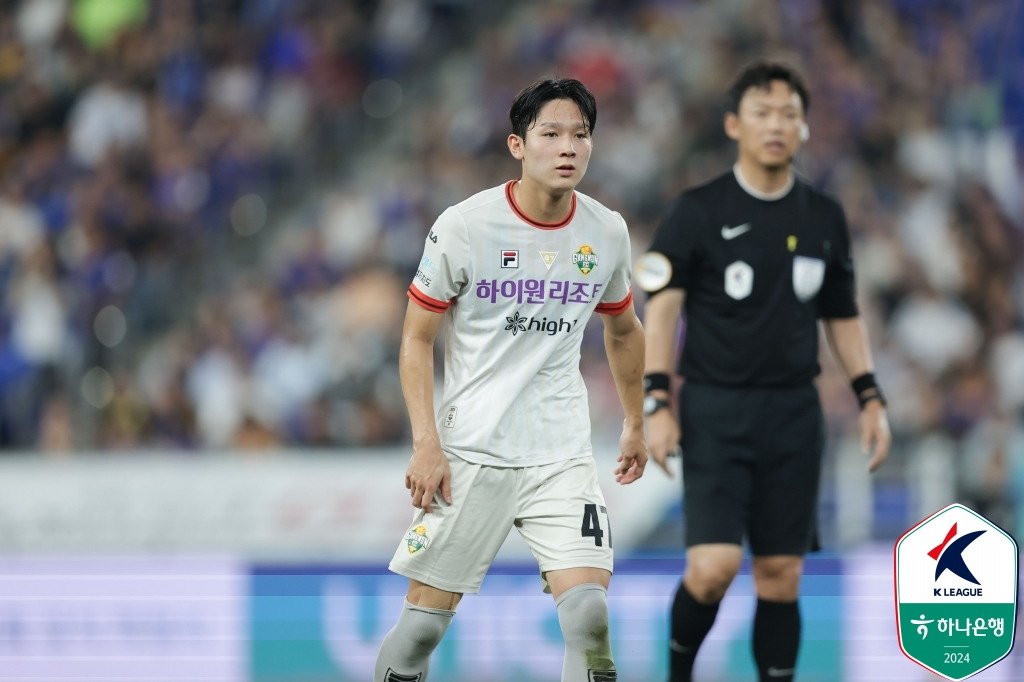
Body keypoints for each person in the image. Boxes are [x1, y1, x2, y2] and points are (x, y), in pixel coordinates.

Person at [374, 77, 648, 682]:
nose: (568, 147)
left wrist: (635, 420)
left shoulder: (606, 231)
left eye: (580, 135)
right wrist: (426, 442)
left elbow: (624, 330)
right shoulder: (465, 226)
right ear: (517, 145)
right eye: (551, 134)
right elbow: (416, 339)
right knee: (420, 631)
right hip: (471, 450)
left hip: (560, 452)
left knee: (589, 616)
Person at [636, 61, 892, 682]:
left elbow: (842, 315)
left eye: (788, 115)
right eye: (762, 113)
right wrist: (657, 401)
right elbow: (662, 309)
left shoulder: (824, 216)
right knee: (713, 568)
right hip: (715, 409)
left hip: (794, 414)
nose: (776, 125)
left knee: (781, 575)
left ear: (804, 128)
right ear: (734, 124)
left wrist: (870, 396)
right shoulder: (696, 210)